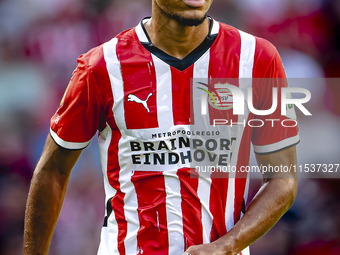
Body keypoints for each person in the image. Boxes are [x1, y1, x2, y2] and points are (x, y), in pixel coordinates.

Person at [24, 0, 299, 254]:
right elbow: (52, 170)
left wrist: (227, 246)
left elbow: (283, 179)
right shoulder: (100, 67)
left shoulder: (259, 59)